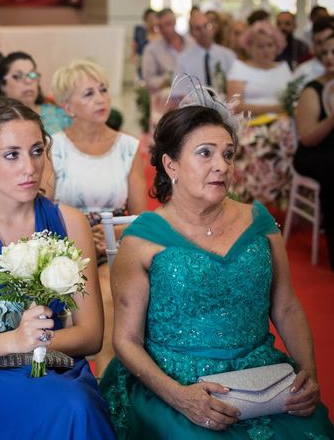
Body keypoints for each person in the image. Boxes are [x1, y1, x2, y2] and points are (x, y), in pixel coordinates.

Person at [100, 100, 334, 439]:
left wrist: (308, 371)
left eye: (228, 154)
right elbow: (126, 340)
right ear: (171, 165)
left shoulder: (260, 222)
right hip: (174, 383)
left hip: (261, 378)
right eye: (205, 153)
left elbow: (285, 306)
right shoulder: (142, 239)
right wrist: (178, 396)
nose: (221, 166)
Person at [0, 97, 115, 439]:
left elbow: (91, 336)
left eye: (36, 151)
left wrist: (17, 347)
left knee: (75, 407)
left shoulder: (69, 223)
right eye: (11, 155)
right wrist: (12, 342)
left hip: (54, 369)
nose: (29, 167)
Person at [44, 59, 146, 374]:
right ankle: (97, 382)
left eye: (103, 90)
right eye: (88, 94)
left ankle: (109, 382)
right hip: (65, 248)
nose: (101, 99)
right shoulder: (54, 148)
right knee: (97, 293)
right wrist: (84, 239)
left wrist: (114, 240)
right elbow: (45, 210)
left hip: (118, 245)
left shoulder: (128, 147)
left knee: (108, 293)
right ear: (67, 106)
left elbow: (141, 216)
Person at [227, 21, 294, 206]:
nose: (265, 50)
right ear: (249, 46)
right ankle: (256, 199)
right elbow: (235, 105)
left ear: (278, 46)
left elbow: (293, 100)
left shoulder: (284, 68)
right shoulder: (239, 67)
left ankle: (282, 197)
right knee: (264, 142)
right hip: (250, 124)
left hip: (282, 124)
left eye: (270, 45)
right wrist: (274, 108)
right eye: (259, 46)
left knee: (292, 141)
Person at [293, 33, 334, 271]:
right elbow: (307, 138)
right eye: (325, 53)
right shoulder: (313, 89)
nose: (329, 57)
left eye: (333, 52)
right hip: (314, 154)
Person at [0, 51, 72, 135]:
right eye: (18, 76)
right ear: (2, 85)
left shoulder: (60, 115)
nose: (28, 81)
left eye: (32, 74)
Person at [173, 12, 236, 97]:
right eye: (198, 28)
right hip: (196, 106)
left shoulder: (228, 55)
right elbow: (179, 91)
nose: (203, 31)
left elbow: (235, 86)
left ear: (213, 28)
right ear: (192, 33)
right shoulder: (183, 59)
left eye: (206, 26)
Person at [292, 17, 334, 91]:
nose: (325, 46)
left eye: (328, 40)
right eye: (319, 42)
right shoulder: (303, 71)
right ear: (313, 44)